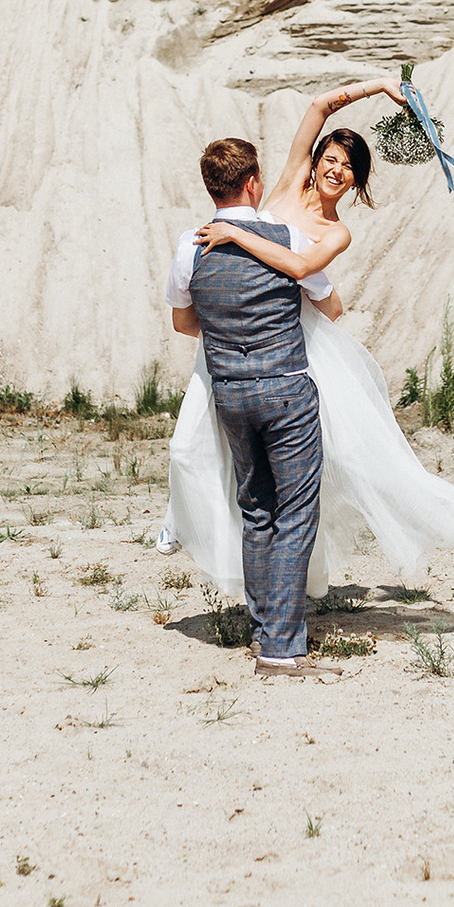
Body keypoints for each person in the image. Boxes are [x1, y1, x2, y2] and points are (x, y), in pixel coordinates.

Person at [161, 85, 454, 653]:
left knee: (332, 461)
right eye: (330, 159)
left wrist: (238, 235)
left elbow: (308, 273)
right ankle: (184, 518)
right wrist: (379, 87)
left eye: (348, 168)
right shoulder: (281, 190)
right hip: (240, 338)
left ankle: (286, 593)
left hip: (291, 344)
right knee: (196, 448)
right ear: (313, 164)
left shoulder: (335, 231)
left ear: (356, 182)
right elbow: (318, 110)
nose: (335, 170)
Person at [164, 136, 331, 676]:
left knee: (256, 510)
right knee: (296, 511)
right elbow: (330, 304)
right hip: (285, 387)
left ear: (212, 185)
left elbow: (183, 323)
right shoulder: (288, 237)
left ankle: (264, 635)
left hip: (231, 394)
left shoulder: (190, 245)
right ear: (254, 182)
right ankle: (283, 648)